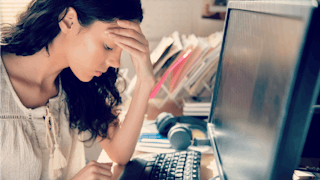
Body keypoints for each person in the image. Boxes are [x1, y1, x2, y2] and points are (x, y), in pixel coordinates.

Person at [0, 0, 155, 179]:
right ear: (69, 21)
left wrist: (146, 81)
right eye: (108, 46)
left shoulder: (78, 82)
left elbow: (120, 152)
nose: (116, 62)